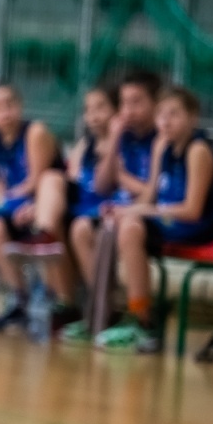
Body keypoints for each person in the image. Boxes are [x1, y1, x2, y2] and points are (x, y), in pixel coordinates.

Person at [94, 85, 213, 355]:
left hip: (198, 226)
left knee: (132, 228)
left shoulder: (198, 150)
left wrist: (139, 213)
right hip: (170, 220)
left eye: (174, 114)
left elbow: (193, 210)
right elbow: (149, 197)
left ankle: (142, 322)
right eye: (162, 115)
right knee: (118, 222)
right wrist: (124, 208)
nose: (165, 122)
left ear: (193, 117)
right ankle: (110, 312)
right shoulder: (161, 146)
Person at [0, 82, 75, 330]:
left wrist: (4, 194)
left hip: (48, 204)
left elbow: (38, 180)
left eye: (9, 104)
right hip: (15, 208)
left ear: (20, 105)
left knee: (35, 221)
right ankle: (18, 297)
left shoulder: (35, 133)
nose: (4, 111)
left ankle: (60, 299)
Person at [52, 85, 120, 343]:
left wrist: (113, 141)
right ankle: (67, 304)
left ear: (117, 111)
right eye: (88, 109)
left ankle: (103, 310)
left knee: (79, 229)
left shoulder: (121, 145)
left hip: (104, 213)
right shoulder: (85, 144)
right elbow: (71, 180)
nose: (93, 115)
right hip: (82, 210)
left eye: (101, 107)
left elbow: (105, 184)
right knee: (53, 227)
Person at [94, 68, 160, 205]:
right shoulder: (122, 136)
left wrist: (120, 176)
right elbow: (101, 187)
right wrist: (113, 139)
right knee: (81, 224)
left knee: (129, 225)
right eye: (124, 102)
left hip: (146, 215)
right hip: (117, 208)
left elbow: (157, 195)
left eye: (136, 102)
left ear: (156, 103)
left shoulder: (163, 140)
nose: (128, 110)